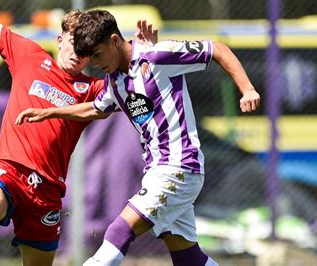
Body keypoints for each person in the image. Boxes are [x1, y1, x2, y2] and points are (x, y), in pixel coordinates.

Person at [16, 9, 261, 266]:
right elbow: (96, 109)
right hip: (157, 170)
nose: (96, 64)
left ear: (113, 40)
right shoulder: (114, 81)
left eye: (98, 55)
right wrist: (50, 112)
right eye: (91, 58)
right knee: (188, 258)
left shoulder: (157, 56)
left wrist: (247, 90)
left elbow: (218, 49)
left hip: (178, 167)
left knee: (119, 231)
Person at [0, 1, 157, 265]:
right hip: (9, 170)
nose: (78, 52)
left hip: (47, 192)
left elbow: (139, 96)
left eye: (86, 50)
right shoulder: (29, 55)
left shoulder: (94, 89)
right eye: (73, 42)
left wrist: (145, 57)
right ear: (59, 39)